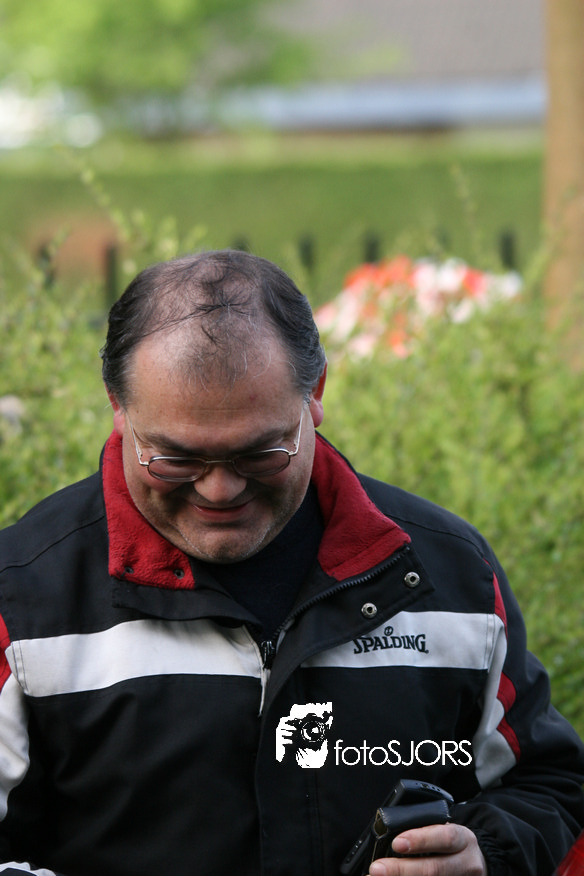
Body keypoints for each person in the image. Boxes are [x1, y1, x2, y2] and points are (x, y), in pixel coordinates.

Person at [0, 250, 582, 876]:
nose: (219, 490)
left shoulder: (451, 574)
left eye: (260, 453)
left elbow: (555, 788)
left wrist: (487, 854)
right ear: (118, 404)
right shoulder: (24, 598)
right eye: (175, 459)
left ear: (316, 394)